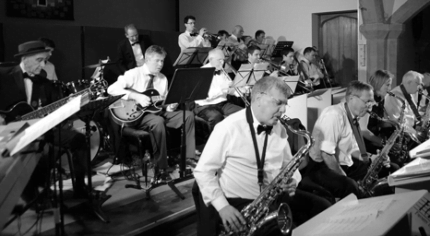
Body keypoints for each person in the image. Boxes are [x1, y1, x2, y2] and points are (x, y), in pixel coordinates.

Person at [194, 76, 331, 235]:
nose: (284, 110)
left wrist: (293, 180)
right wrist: (222, 206)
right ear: (259, 99)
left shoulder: (279, 128)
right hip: (241, 202)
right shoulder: (228, 128)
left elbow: (289, 165)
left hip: (273, 196)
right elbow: (203, 171)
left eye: (285, 104)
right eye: (279, 103)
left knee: (322, 207)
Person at [0, 41, 89, 206]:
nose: (42, 65)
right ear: (25, 58)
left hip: (40, 128)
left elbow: (53, 108)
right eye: (39, 60)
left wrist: (69, 105)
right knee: (42, 150)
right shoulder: (4, 75)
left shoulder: (44, 82)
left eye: (44, 61)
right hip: (11, 132)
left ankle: (80, 187)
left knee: (79, 139)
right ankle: (35, 194)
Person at [108, 45, 196, 174]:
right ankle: (161, 166)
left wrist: (169, 106)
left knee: (188, 115)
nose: (160, 64)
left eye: (162, 61)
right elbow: (111, 89)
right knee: (158, 121)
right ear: (147, 60)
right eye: (157, 60)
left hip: (156, 112)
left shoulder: (162, 79)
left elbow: (163, 102)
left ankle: (188, 158)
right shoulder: (133, 74)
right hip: (136, 115)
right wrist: (135, 96)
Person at [307, 80, 379, 199]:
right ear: (351, 98)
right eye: (367, 101)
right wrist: (344, 177)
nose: (370, 106)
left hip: (341, 161)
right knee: (350, 186)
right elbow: (326, 155)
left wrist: (371, 158)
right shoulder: (334, 115)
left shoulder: (352, 115)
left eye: (371, 101)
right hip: (321, 166)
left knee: (376, 170)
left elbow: (351, 148)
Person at [194, 48, 243, 131]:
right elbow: (206, 96)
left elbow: (229, 89)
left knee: (242, 113)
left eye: (223, 60)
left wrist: (240, 91)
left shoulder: (222, 71)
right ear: (210, 60)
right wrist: (223, 89)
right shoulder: (201, 72)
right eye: (219, 60)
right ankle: (216, 142)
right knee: (216, 117)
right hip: (205, 106)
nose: (222, 62)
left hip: (222, 104)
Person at [384, 71, 423, 138]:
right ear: (409, 82)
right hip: (402, 136)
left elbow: (412, 115)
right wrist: (416, 134)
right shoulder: (393, 96)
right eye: (418, 84)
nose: (419, 87)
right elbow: (397, 123)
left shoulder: (411, 93)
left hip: (411, 131)